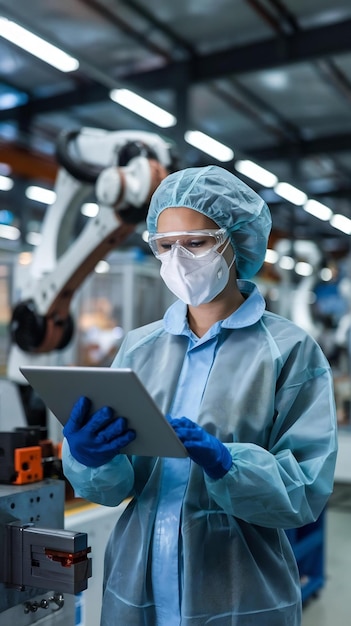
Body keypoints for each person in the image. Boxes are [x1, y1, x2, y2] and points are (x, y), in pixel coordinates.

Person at [62, 165, 338, 626]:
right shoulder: (139, 346)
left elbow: (306, 488)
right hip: (138, 581)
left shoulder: (289, 350)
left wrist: (229, 464)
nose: (178, 258)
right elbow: (117, 488)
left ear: (235, 241)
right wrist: (92, 457)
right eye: (165, 246)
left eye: (196, 243)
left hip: (239, 584)